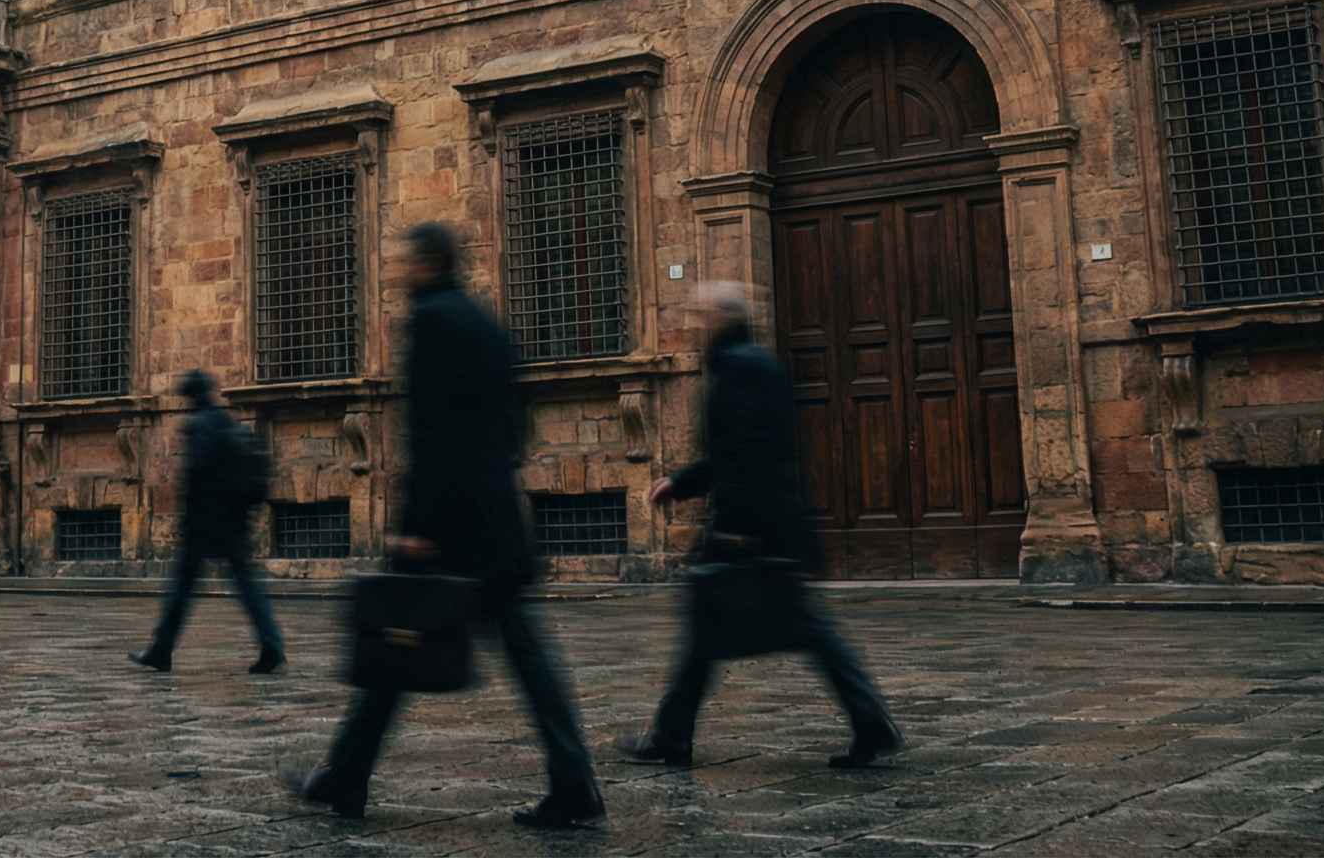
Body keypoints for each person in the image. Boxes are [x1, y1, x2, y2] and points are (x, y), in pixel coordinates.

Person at [282, 222, 604, 829]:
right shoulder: (486, 323)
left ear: (427, 262)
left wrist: (415, 525)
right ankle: (572, 783)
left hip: (448, 526)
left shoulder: (431, 320)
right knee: (521, 662)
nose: (397, 270)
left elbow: (431, 435)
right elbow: (512, 424)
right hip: (494, 518)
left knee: (390, 645)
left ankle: (344, 777)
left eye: (403, 259)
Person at [611, 283, 902, 771]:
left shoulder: (739, 367)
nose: (696, 320)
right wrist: (680, 482)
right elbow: (738, 453)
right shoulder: (755, 362)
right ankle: (674, 733)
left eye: (703, 313)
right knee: (784, 632)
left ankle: (672, 735)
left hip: (752, 528)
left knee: (750, 630)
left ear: (724, 318)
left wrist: (738, 524)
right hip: (773, 523)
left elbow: (749, 453)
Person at [129, 369, 284, 674]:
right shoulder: (226, 421)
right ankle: (272, 645)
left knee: (180, 590)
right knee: (248, 587)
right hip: (234, 520)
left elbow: (196, 476)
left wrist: (187, 521)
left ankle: (161, 649)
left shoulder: (198, 425)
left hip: (205, 524)